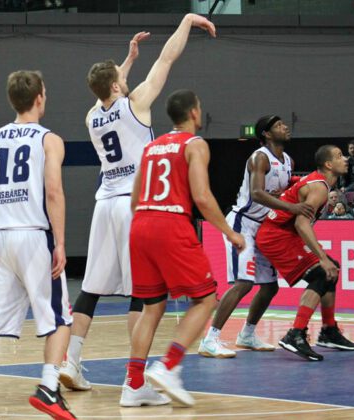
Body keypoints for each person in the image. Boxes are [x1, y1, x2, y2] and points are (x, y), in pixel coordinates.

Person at [61, 15, 217, 405]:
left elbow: (105, 91)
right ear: (116, 85)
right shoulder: (138, 104)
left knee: (91, 289)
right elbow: (166, 59)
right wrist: (186, 23)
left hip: (104, 203)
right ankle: (137, 381)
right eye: (121, 76)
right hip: (137, 204)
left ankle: (71, 358)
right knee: (144, 296)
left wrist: (126, 61)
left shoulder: (91, 116)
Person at [125, 89, 245, 407]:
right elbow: (202, 197)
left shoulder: (150, 148)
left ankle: (133, 385)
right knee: (206, 299)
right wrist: (229, 232)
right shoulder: (195, 145)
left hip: (140, 225)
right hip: (170, 222)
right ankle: (168, 366)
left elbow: (135, 200)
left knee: (151, 307)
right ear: (193, 112)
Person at [0, 71, 75, 420]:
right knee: (60, 318)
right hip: (33, 234)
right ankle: (48, 388)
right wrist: (59, 242)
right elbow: (54, 192)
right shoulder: (49, 140)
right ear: (40, 97)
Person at [199, 116, 314, 358]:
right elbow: (258, 193)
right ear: (267, 134)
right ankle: (210, 339)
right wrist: (292, 208)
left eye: (284, 123)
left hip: (264, 227)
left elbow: (281, 191)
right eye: (279, 125)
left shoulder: (289, 161)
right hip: (243, 223)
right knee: (243, 283)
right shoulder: (260, 157)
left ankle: (248, 334)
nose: (285, 127)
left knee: (270, 287)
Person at [256, 145, 354, 361]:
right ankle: (295, 334)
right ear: (329, 165)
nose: (346, 159)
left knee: (332, 268)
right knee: (322, 271)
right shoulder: (320, 188)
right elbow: (302, 224)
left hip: (284, 233)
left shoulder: (317, 182)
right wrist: (321, 258)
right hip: (277, 236)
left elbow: (298, 186)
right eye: (340, 156)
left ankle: (329, 331)